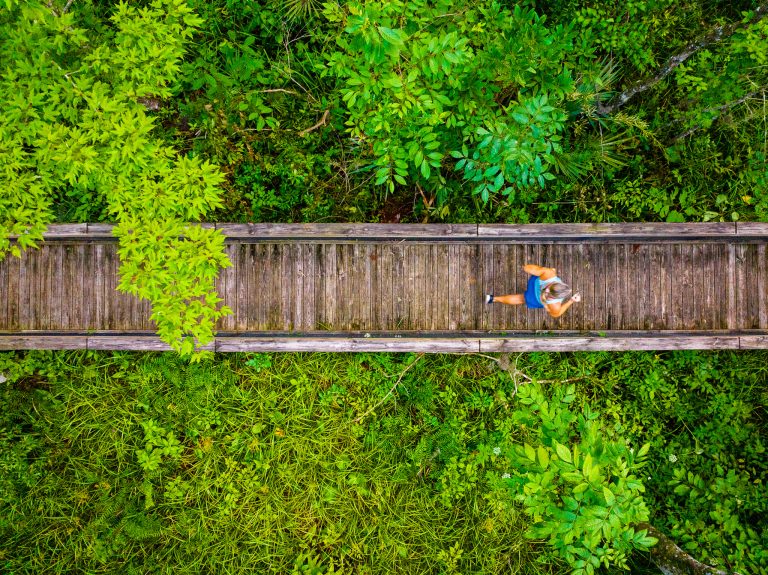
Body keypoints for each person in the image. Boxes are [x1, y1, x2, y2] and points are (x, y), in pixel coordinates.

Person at [485, 264, 581, 319]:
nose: (547, 290)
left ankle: (492, 298)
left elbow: (526, 268)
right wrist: (571, 300)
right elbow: (556, 314)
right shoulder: (555, 305)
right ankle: (493, 299)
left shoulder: (550, 275)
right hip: (535, 298)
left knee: (551, 269)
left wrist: (545, 270)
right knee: (521, 299)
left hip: (534, 284)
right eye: (549, 288)